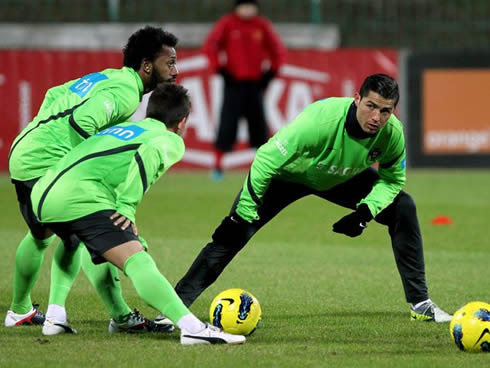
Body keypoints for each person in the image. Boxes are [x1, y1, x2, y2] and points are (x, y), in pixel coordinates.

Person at [172, 74, 452, 323]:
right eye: (371, 106)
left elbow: (392, 180)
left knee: (404, 206)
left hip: (340, 177)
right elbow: (266, 159)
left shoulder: (392, 135)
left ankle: (421, 303)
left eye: (385, 111)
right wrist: (242, 212)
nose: (377, 117)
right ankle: (174, 308)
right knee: (232, 234)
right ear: (357, 99)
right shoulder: (320, 121)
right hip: (288, 176)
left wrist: (366, 212)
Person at [29, 83, 245, 345]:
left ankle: (56, 317)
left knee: (82, 243)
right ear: (182, 121)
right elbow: (150, 154)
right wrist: (127, 207)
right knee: (135, 257)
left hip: (43, 193)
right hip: (79, 197)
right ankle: (191, 327)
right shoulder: (169, 138)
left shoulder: (124, 129)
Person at [5, 25, 179, 334]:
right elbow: (83, 120)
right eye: (170, 63)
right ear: (147, 65)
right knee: (85, 231)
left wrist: (45, 131)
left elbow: (54, 95)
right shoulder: (126, 93)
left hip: (27, 150)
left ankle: (20, 310)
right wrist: (87, 161)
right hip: (45, 159)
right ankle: (106, 316)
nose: (175, 71)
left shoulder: (108, 77)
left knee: (43, 234)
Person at [203, 0, 286, 180]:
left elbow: (278, 50)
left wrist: (272, 72)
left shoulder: (262, 25)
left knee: (259, 128)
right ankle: (218, 167)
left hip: (255, 85)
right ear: (236, 7)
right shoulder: (227, 23)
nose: (247, 9)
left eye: (251, 6)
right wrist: (220, 69)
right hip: (233, 84)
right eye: (244, 5)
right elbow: (211, 46)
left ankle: (263, 168)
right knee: (227, 125)